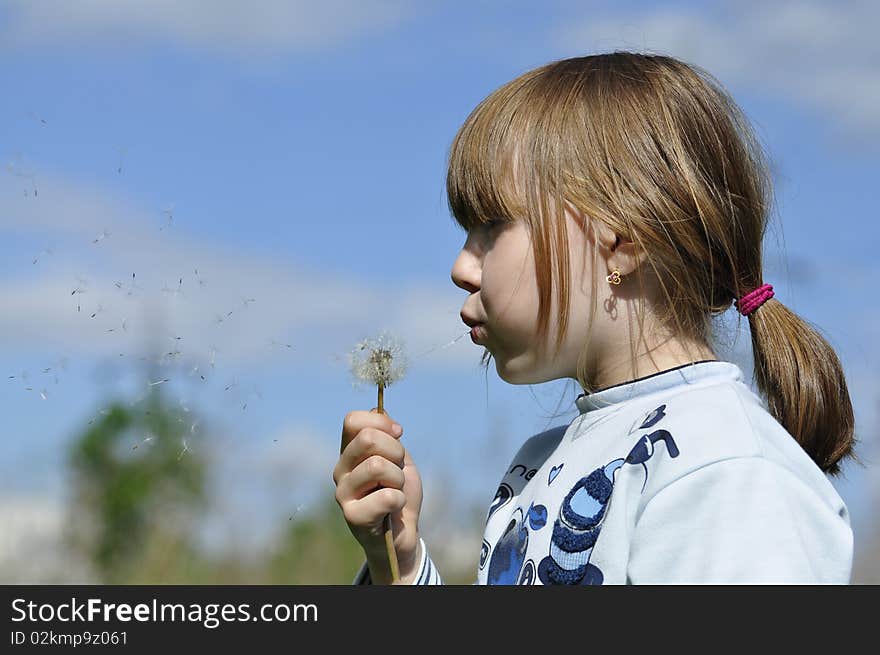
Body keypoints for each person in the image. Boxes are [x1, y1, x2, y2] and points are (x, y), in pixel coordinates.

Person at [332, 51, 860, 585]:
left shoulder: (727, 470)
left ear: (622, 243)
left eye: (491, 226)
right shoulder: (537, 462)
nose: (460, 267)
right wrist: (398, 562)